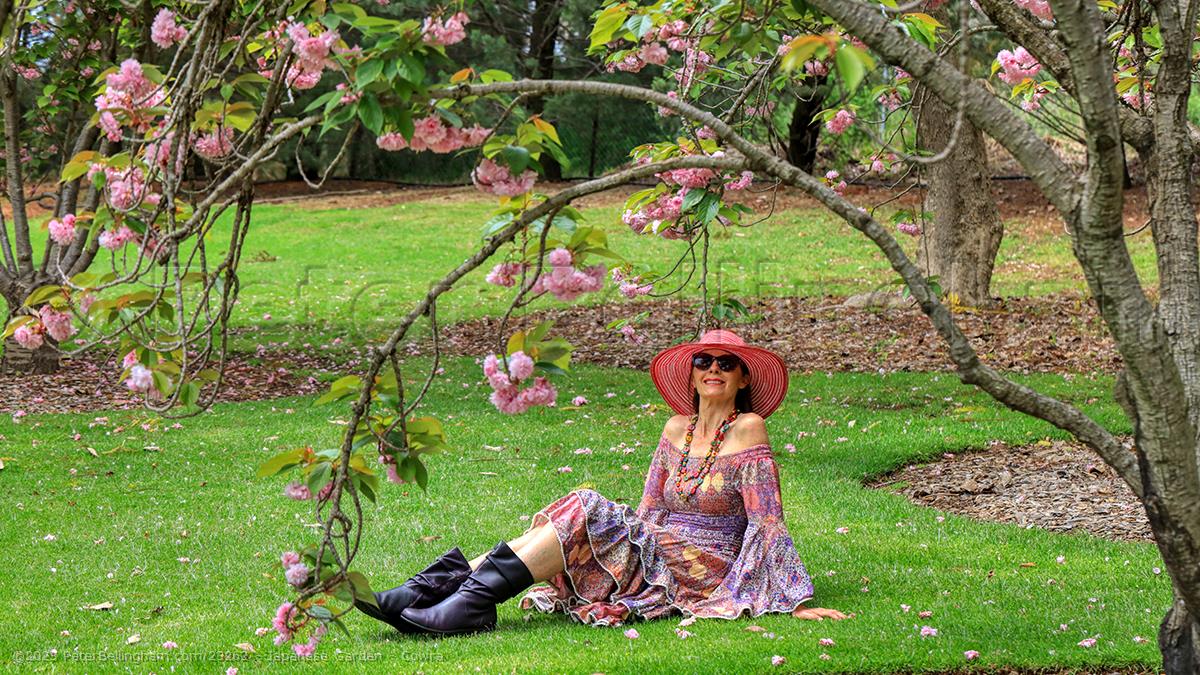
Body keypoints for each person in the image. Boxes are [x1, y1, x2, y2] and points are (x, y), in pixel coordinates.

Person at [356, 329, 847, 636]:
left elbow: (766, 521)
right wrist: (624, 538)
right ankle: (435, 595)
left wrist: (791, 597)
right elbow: (651, 507)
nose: (714, 368)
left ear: (743, 378)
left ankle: (455, 600)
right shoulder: (676, 426)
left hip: (705, 562)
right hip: (661, 542)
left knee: (588, 507)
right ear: (692, 375)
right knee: (587, 517)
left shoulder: (749, 429)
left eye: (726, 363)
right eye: (704, 361)